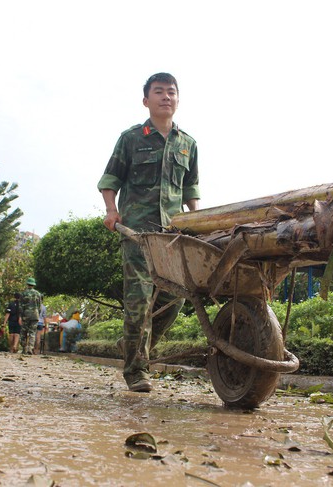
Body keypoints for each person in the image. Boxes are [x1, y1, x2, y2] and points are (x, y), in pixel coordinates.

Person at [97, 72, 200, 393]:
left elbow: (190, 189)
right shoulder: (131, 139)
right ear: (146, 100)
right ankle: (136, 371)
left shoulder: (188, 144)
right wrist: (111, 210)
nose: (166, 97)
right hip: (136, 233)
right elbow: (110, 178)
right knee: (139, 300)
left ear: (178, 100)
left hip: (170, 235)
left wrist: (197, 222)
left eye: (171, 92)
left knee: (176, 296)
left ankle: (134, 346)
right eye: (159, 92)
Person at [19, 277, 43, 355]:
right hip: (35, 315)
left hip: (26, 315)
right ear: (33, 285)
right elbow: (40, 306)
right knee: (32, 332)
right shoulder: (38, 294)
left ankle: (24, 348)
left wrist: (20, 316)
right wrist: (37, 314)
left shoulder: (24, 293)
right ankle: (30, 348)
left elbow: (21, 306)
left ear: (27, 284)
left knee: (24, 332)